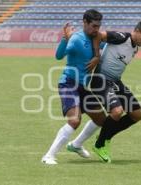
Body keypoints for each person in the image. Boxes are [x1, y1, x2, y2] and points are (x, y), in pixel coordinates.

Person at [71, 19, 141, 163]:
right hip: (100, 80)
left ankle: (106, 137)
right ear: (136, 31)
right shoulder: (121, 37)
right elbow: (98, 35)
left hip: (115, 82)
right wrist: (97, 57)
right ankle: (100, 144)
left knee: (136, 114)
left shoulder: (135, 47)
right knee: (117, 111)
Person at [41, 9, 106, 165]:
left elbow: (109, 43)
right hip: (69, 83)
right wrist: (65, 38)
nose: (96, 29)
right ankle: (48, 156)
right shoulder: (77, 39)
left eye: (98, 26)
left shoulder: (97, 38)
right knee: (75, 121)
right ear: (84, 22)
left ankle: (76, 145)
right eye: (93, 26)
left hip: (83, 87)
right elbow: (59, 56)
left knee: (101, 118)